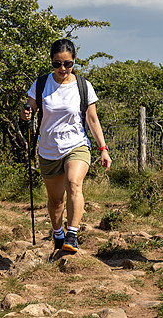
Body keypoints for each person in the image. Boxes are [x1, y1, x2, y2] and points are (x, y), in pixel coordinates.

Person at [21, 38, 112, 253]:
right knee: (55, 200)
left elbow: (92, 120)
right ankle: (58, 233)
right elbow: (29, 110)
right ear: (51, 62)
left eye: (67, 64)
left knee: (73, 183)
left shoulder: (83, 86)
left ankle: (72, 234)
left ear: (74, 61)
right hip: (48, 148)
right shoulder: (41, 84)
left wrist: (103, 149)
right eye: (57, 64)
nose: (62, 68)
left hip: (76, 144)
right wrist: (26, 114)